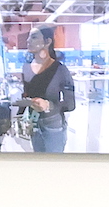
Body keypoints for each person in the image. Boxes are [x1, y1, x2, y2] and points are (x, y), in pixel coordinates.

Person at [20, 25, 75, 153]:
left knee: (54, 166)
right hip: (34, 124)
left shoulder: (60, 70)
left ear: (47, 41)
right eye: (28, 37)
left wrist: (48, 105)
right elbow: (26, 95)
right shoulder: (26, 68)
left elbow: (70, 104)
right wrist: (19, 116)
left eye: (34, 37)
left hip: (53, 125)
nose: (28, 41)